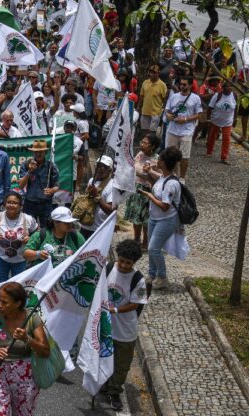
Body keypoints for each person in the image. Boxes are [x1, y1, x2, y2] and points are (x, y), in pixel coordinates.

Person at [0, 282, 50, 416]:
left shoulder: (32, 320)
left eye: (5, 302)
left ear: (18, 304)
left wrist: (26, 339)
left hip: (25, 378)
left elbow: (45, 351)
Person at [105, 239, 148, 411]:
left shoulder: (138, 279)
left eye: (127, 263)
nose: (123, 265)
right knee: (104, 358)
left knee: (121, 365)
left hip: (125, 330)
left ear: (134, 262)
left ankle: (115, 391)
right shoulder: (108, 268)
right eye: (121, 261)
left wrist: (115, 310)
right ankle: (104, 384)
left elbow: (135, 304)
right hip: (106, 327)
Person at [138, 146, 183, 290]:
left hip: (167, 220)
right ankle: (152, 275)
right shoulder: (163, 177)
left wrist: (149, 196)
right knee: (152, 248)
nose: (156, 160)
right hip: (154, 218)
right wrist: (149, 171)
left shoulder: (171, 184)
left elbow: (165, 206)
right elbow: (156, 181)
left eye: (159, 159)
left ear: (163, 163)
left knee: (154, 248)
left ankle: (162, 277)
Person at [0, 192, 39, 282]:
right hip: (1, 258)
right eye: (9, 202)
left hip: (21, 260)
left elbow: (38, 232)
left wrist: (31, 239)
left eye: (15, 203)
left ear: (20, 206)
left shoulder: (28, 219)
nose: (11, 205)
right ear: (4, 204)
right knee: (1, 283)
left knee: (18, 285)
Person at [124, 133, 161, 249]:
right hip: (136, 189)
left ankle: (146, 241)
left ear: (153, 146)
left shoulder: (157, 159)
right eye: (142, 142)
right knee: (136, 216)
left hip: (147, 191)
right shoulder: (140, 154)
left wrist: (149, 172)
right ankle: (136, 239)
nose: (142, 145)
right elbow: (133, 167)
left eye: (145, 143)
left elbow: (160, 177)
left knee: (145, 218)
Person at [164, 77, 201, 179]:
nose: (181, 86)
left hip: (187, 131)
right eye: (180, 84)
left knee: (184, 156)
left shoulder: (196, 98)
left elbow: (198, 115)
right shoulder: (174, 97)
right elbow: (167, 110)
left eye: (184, 84)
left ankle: (182, 178)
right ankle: (170, 175)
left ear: (190, 85)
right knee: (170, 154)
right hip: (172, 129)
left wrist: (185, 119)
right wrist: (168, 115)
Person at [17, 139, 59, 228]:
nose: (38, 154)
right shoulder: (26, 165)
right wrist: (29, 171)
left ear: (45, 152)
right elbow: (21, 186)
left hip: (46, 204)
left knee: (47, 229)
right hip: (30, 204)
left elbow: (57, 185)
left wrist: (52, 190)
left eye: (41, 152)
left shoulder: (51, 166)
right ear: (33, 152)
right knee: (28, 229)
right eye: (36, 152)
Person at [79, 155, 116, 240]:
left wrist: (96, 196)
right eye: (98, 165)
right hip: (85, 225)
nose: (100, 168)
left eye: (104, 167)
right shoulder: (91, 180)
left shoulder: (112, 186)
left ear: (109, 170)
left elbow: (110, 210)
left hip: (99, 229)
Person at [206, 82, 236, 164]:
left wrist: (235, 118)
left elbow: (235, 107)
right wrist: (208, 119)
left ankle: (224, 157)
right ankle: (209, 151)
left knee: (226, 138)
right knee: (212, 136)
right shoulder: (217, 95)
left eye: (231, 86)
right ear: (223, 88)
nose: (229, 88)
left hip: (227, 121)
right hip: (216, 120)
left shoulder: (234, 95)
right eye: (227, 86)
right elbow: (210, 108)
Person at [137, 65, 168, 134]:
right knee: (144, 131)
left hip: (156, 113)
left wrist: (163, 110)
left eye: (154, 72)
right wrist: (139, 107)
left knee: (152, 132)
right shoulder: (145, 82)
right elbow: (141, 95)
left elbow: (165, 99)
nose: (152, 74)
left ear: (158, 73)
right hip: (145, 111)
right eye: (151, 72)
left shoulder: (162, 85)